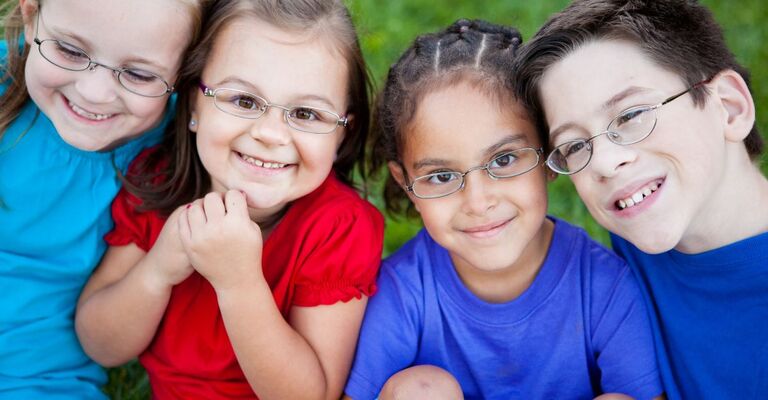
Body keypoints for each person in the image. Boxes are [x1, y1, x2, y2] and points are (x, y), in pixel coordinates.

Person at [75, 0, 384, 398]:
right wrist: (158, 270)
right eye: (244, 101)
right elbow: (101, 345)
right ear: (193, 106)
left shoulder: (339, 228)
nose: (271, 134)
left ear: (342, 132)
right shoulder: (161, 184)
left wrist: (239, 283)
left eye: (307, 114)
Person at [344, 19, 663, 400]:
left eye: (505, 159)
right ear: (406, 184)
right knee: (419, 390)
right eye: (442, 177)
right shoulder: (404, 291)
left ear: (549, 155)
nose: (478, 202)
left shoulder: (603, 285)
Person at [513, 0, 768, 399]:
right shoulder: (623, 261)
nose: (606, 163)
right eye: (576, 145)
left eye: (631, 116)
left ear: (729, 107)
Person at [0, 0, 207, 398]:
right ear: (30, 16)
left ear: (184, 73)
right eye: (70, 51)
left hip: (41, 379)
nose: (93, 92)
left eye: (139, 74)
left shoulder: (172, 160)